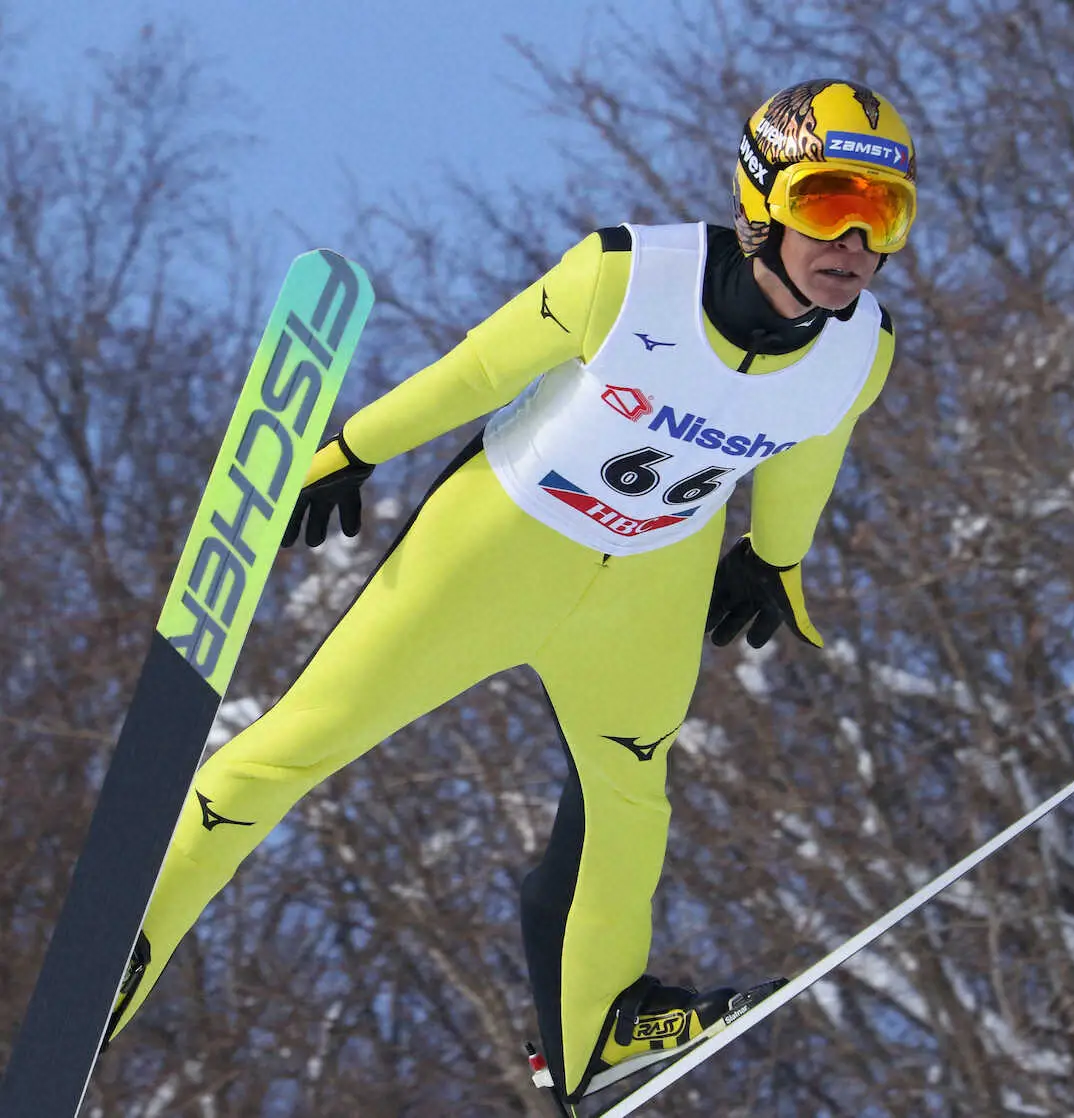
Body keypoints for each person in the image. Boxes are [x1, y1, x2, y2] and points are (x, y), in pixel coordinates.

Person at [105, 78, 918, 1107]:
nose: (851, 238)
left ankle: (594, 1033)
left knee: (630, 794)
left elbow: (813, 443)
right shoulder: (628, 276)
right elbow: (479, 368)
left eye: (882, 213)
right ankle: (122, 950)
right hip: (501, 543)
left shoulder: (861, 348)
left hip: (650, 582)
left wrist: (775, 555)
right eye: (825, 202)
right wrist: (356, 448)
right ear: (760, 198)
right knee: (299, 741)